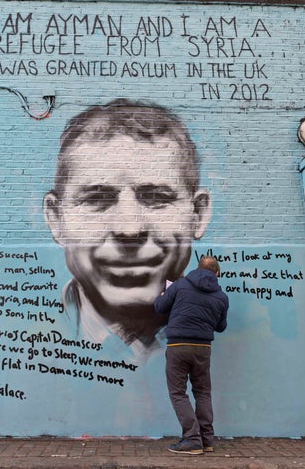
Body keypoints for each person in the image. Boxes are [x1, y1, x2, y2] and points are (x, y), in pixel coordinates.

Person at [43, 99, 212, 356]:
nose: (129, 228)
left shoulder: (246, 345)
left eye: (156, 198)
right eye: (97, 199)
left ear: (197, 215)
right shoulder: (21, 337)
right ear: (56, 220)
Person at [153, 255, 228, 455]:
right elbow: (221, 327)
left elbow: (160, 308)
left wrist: (161, 295)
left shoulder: (180, 286)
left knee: (178, 393)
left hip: (178, 345)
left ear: (197, 268)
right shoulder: (221, 297)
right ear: (217, 273)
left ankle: (192, 439)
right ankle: (207, 440)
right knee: (202, 392)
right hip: (203, 348)